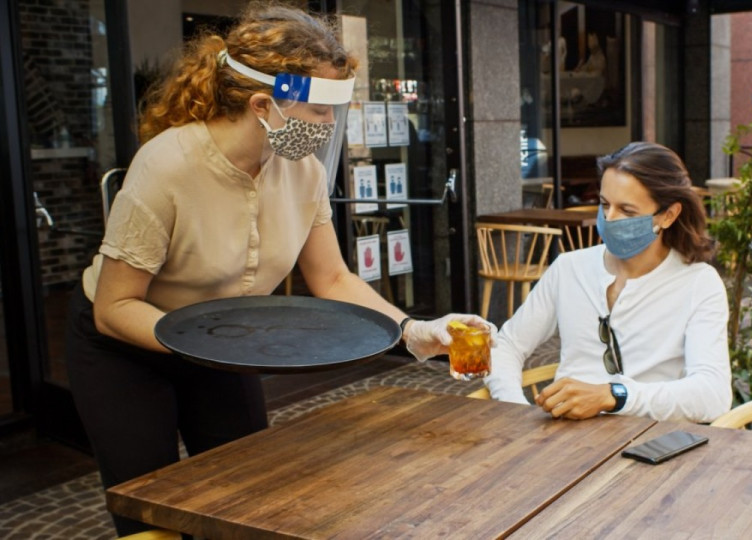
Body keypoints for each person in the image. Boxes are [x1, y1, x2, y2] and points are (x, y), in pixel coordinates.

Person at [64, 4, 489, 536]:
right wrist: (216, 346)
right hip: (124, 349)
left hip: (226, 336)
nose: (329, 125)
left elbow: (333, 278)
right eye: (318, 111)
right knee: (149, 512)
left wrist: (410, 330)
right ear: (264, 104)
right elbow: (114, 307)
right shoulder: (166, 165)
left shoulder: (302, 170)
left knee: (248, 497)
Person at [482, 142, 731, 422]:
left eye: (627, 211)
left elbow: (713, 393)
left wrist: (614, 396)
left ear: (668, 215)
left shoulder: (698, 283)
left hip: (652, 446)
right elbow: (506, 346)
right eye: (604, 204)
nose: (609, 219)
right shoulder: (569, 268)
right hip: (566, 444)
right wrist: (516, 410)